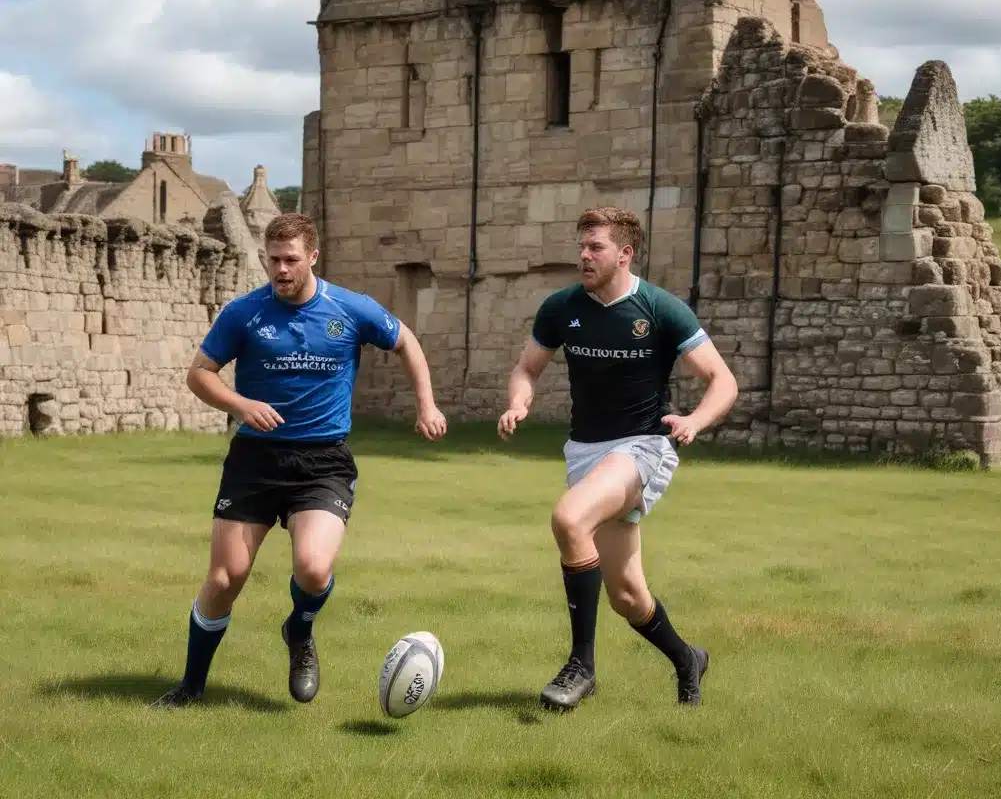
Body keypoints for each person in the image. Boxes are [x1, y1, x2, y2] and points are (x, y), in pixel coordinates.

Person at [154, 212, 447, 707]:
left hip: (322, 463)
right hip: (254, 460)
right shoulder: (244, 313)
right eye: (273, 260)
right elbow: (199, 374)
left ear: (313, 256)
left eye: (291, 260)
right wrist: (240, 404)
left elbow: (407, 342)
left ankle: (300, 630)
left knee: (313, 570)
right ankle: (191, 686)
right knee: (225, 579)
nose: (281, 270)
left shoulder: (349, 308)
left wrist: (427, 404)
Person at [498, 206, 737, 711]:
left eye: (596, 247)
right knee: (627, 596)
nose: (583, 255)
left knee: (569, 517)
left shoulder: (660, 309)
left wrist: (694, 421)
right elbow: (526, 367)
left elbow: (723, 381)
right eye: (581, 246)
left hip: (643, 447)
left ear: (625, 253)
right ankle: (687, 658)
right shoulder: (561, 308)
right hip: (585, 451)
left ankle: (580, 666)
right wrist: (519, 402)